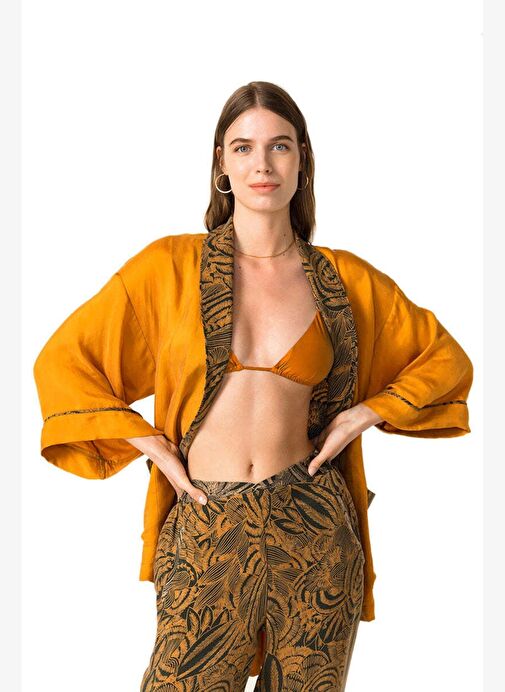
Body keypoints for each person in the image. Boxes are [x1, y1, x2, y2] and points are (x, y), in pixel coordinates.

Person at [33, 81, 474, 691]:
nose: (262, 164)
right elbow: (64, 362)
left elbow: (445, 359)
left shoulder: (342, 279)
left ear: (303, 160)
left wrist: (364, 414)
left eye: (279, 146)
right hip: (206, 523)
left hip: (314, 528)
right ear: (221, 163)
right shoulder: (168, 268)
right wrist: (149, 441)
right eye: (243, 148)